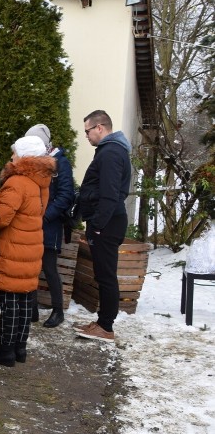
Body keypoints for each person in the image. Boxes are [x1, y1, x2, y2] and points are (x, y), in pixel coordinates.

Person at [0, 136, 55, 367]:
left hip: (13, 249)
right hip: (30, 249)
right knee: (23, 302)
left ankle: (5, 352)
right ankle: (20, 348)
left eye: (15, 153)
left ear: (24, 157)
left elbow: (1, 219)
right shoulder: (41, 182)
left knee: (10, 303)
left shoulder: (18, 182)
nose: (11, 157)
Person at [74, 110, 132, 343]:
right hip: (107, 222)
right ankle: (101, 322)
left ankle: (106, 327)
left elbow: (110, 194)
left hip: (107, 224)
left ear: (100, 128)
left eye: (87, 131)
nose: (86, 136)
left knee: (106, 276)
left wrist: (97, 225)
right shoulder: (111, 151)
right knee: (103, 274)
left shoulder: (110, 153)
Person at [24, 124, 75, 328]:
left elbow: (65, 196)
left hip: (49, 224)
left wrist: (44, 216)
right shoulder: (36, 162)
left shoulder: (60, 163)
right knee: (32, 267)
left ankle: (58, 310)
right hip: (34, 223)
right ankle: (33, 308)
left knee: (49, 268)